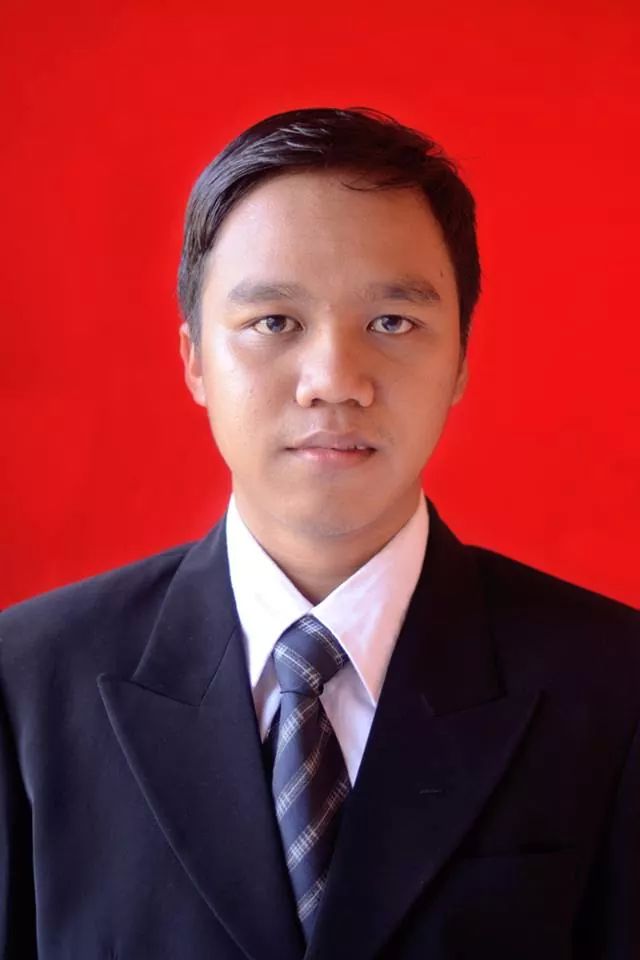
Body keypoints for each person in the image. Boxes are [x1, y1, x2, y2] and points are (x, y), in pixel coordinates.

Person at [0, 106, 638, 960]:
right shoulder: (25, 684)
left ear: (460, 358)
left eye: (392, 322)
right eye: (274, 322)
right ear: (195, 358)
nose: (335, 381)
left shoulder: (616, 686)